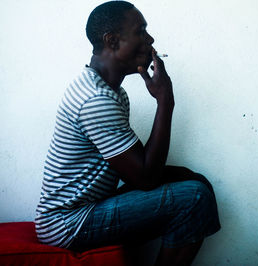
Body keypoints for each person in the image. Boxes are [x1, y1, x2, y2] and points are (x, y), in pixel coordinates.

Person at [35, 1, 220, 265]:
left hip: (89, 207)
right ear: (112, 40)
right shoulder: (96, 99)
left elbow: (140, 169)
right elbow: (146, 178)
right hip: (68, 224)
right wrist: (165, 102)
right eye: (141, 31)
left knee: (193, 180)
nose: (151, 39)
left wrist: (183, 175)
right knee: (194, 199)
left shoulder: (112, 92)